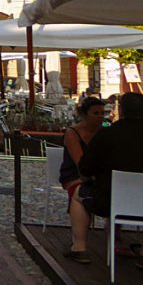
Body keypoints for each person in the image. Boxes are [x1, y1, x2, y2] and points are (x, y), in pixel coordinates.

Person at [78, 92, 143, 271]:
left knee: (78, 195)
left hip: (109, 202)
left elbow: (85, 168)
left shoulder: (107, 135)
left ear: (121, 111)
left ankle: (79, 246)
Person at [58, 97, 105, 264]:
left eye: (103, 113)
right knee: (81, 190)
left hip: (97, 174)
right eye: (96, 113)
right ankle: (79, 243)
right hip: (74, 174)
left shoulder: (104, 133)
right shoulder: (73, 133)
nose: (101, 117)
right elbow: (80, 163)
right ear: (85, 115)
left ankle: (114, 236)